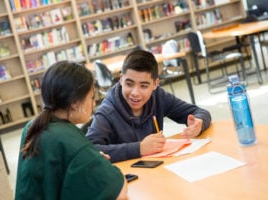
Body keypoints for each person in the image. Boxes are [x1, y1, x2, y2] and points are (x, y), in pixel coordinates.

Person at [15, 61, 127, 200]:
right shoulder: (71, 141)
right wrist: (97, 164)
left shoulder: (32, 126)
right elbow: (119, 193)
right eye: (91, 97)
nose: (94, 103)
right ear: (74, 102)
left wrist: (90, 160)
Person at [86, 50, 212, 163]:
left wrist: (198, 123)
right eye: (129, 84)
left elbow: (199, 112)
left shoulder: (158, 96)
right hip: (125, 180)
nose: (135, 92)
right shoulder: (108, 111)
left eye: (144, 86)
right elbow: (89, 151)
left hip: (156, 170)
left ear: (155, 84)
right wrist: (139, 148)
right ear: (121, 79)